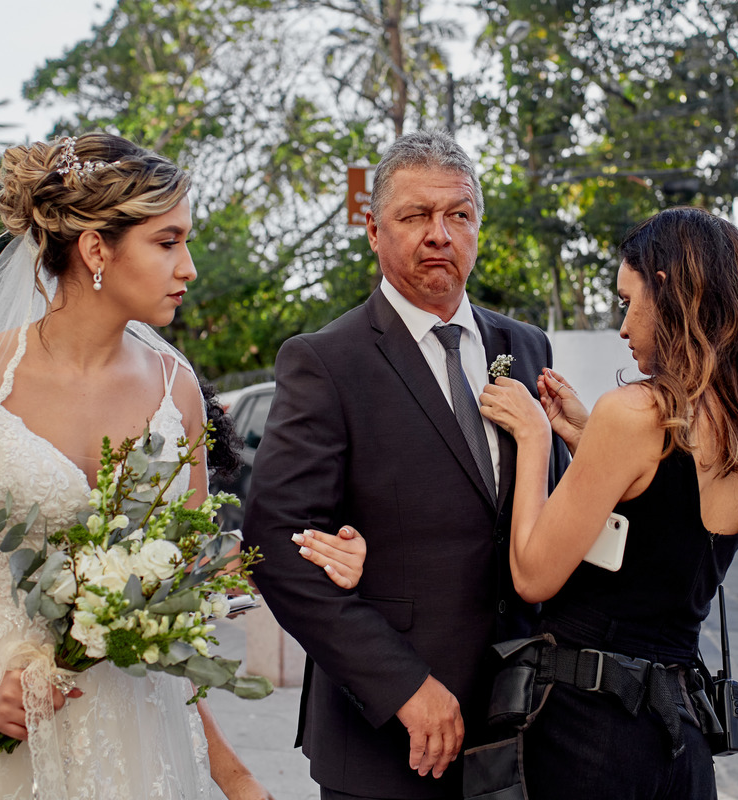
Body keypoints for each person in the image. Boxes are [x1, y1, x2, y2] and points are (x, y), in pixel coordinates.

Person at [0, 133, 354, 800]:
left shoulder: (178, 390)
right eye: (168, 241)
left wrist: (309, 554)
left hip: (135, 739)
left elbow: (174, 600)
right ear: (97, 249)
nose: (190, 267)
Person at [242, 130, 570, 800]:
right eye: (415, 216)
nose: (439, 235)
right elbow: (275, 545)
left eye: (458, 215)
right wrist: (403, 687)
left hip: (525, 720)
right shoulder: (326, 361)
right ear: (372, 231)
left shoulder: (526, 345)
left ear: (479, 224)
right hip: (389, 738)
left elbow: (551, 509)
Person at [476, 206, 738, 799]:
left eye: (628, 301)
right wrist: (584, 438)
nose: (623, 326)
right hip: (680, 739)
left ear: (670, 291)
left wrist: (535, 439)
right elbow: (661, 529)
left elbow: (531, 574)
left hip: (589, 734)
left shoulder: (633, 415)